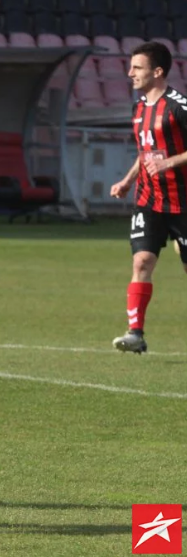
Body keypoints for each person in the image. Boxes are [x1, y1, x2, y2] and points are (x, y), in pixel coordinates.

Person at [108, 41, 187, 355]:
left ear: (158, 71)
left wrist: (170, 162)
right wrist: (127, 181)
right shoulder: (139, 108)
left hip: (183, 201)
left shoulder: (179, 106)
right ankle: (135, 334)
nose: (130, 73)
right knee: (142, 261)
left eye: (137, 67)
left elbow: (165, 156)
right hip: (149, 198)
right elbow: (145, 152)